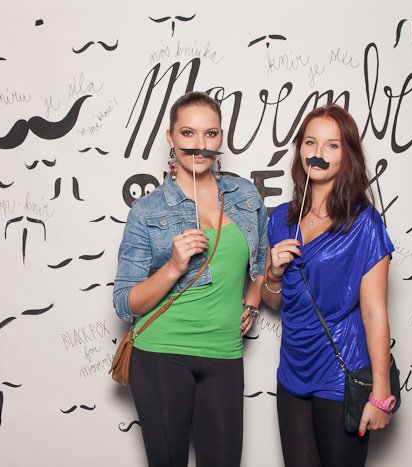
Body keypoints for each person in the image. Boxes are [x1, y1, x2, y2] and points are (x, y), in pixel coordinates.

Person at [113, 91, 267, 467]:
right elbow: (124, 302)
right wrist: (173, 267)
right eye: (188, 133)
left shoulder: (245, 196)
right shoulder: (147, 211)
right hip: (161, 354)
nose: (200, 145)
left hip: (224, 354)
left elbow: (261, 262)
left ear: (220, 138)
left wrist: (252, 301)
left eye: (210, 134)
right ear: (170, 137)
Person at [261, 104, 396, 467]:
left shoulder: (364, 224)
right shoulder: (280, 219)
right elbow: (274, 302)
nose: (318, 153)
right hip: (292, 373)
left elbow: (374, 313)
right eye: (310, 142)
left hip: (341, 373)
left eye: (332, 145)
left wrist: (381, 392)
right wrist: (273, 273)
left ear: (347, 154)